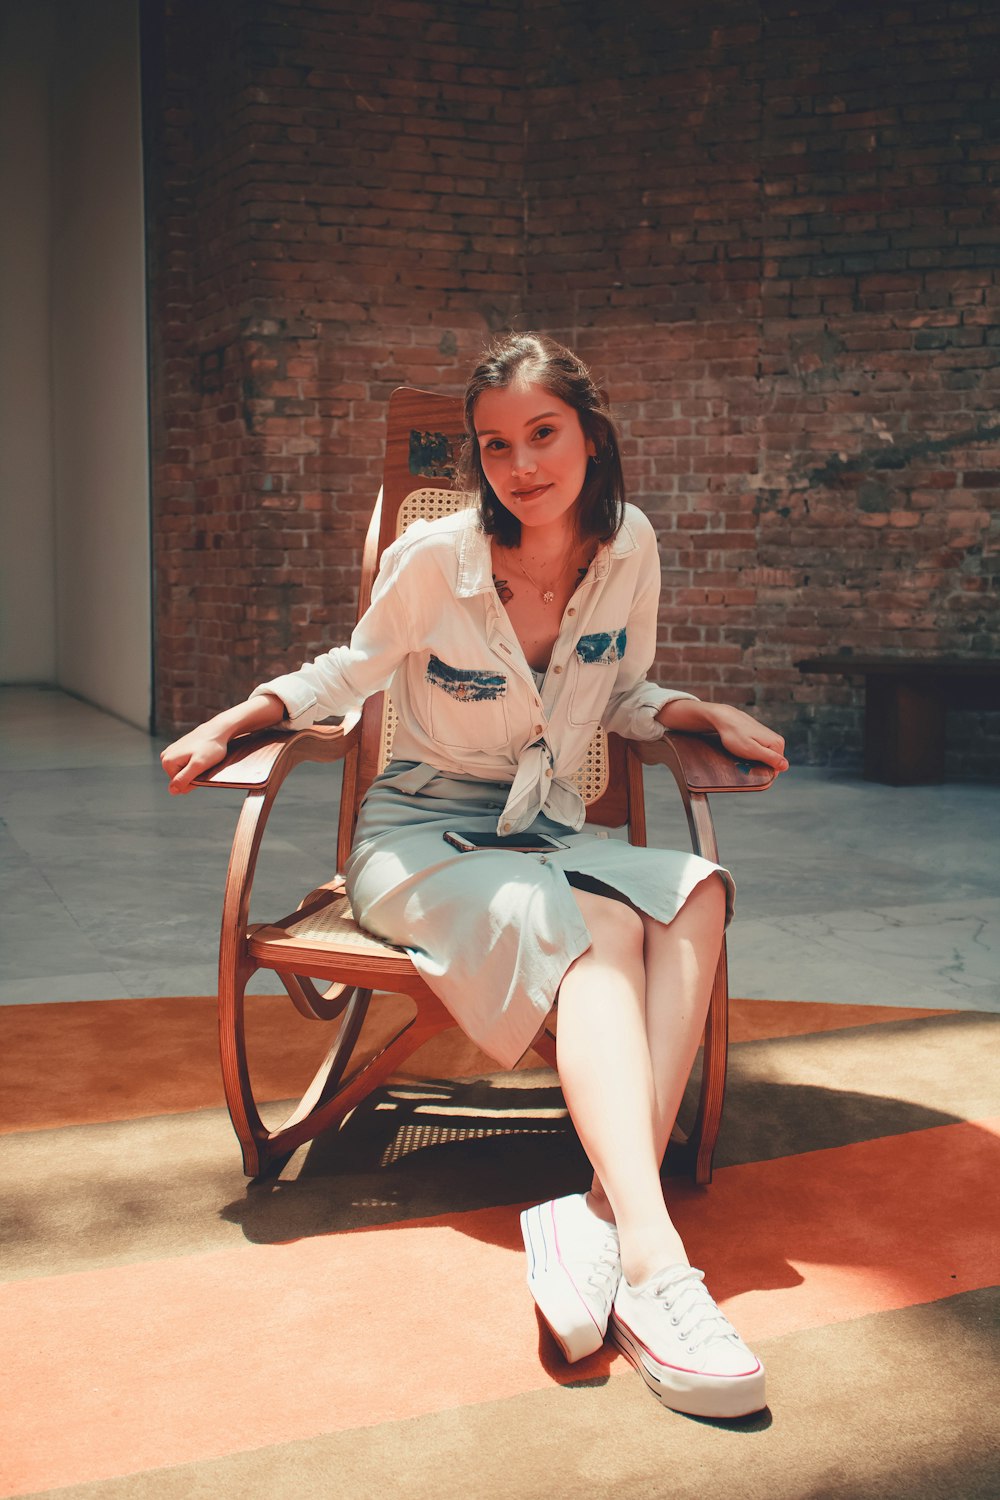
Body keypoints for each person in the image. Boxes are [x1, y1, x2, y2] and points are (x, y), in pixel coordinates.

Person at [161, 332, 788, 1420]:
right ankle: (656, 1268)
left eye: (542, 434)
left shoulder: (628, 545)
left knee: (691, 895)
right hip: (417, 833)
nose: (521, 466)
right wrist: (240, 716)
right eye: (495, 445)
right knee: (599, 941)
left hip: (539, 830)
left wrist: (693, 712)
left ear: (591, 433)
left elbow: (626, 693)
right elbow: (346, 674)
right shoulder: (435, 560)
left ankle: (592, 1213)